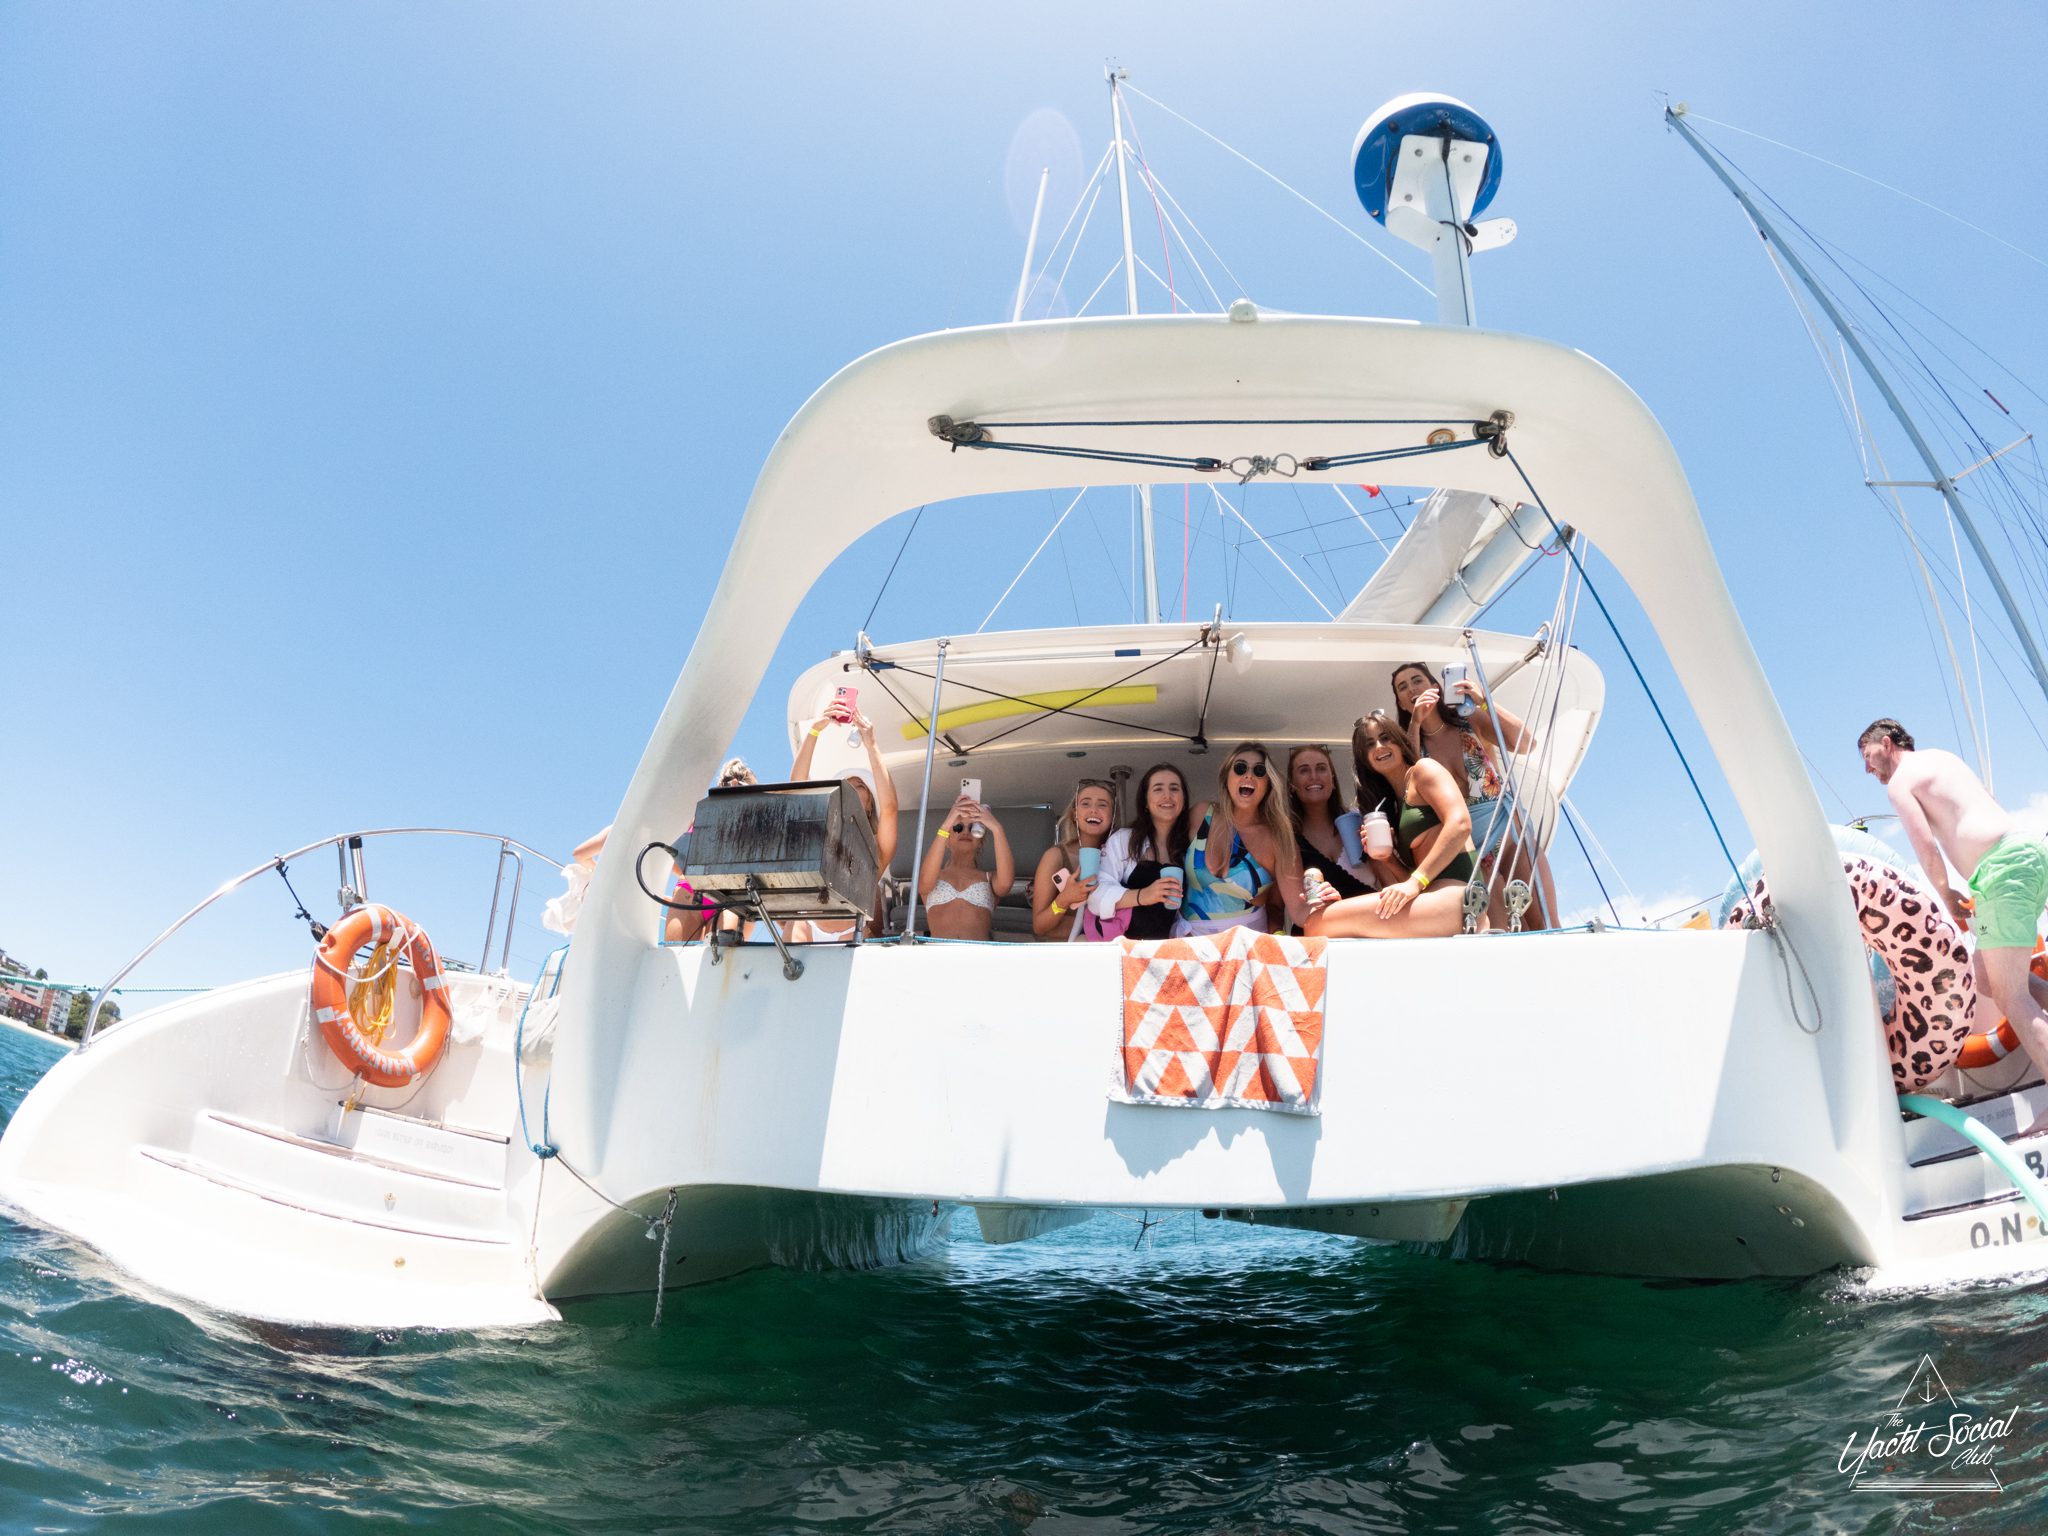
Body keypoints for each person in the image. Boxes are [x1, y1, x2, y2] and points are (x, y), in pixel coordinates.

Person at [1860, 718, 2048, 1108]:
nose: (1868, 768)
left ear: (1888, 742)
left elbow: (1926, 848)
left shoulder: (1901, 782)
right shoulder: (1941, 759)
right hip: (2025, 853)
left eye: (1868, 755)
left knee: (2011, 998)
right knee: (1985, 975)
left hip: (2000, 869)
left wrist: (1947, 897)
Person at [1391, 658, 1558, 929]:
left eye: (1417, 680)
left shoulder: (1469, 721)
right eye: (1403, 687)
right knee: (1498, 933)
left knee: (1546, 924)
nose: (1412, 688)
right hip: (1468, 851)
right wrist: (1415, 725)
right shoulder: (1410, 744)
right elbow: (1407, 789)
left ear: (1435, 685)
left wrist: (1483, 701)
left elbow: (1527, 743)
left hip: (1509, 836)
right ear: (1400, 703)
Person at [1304, 711, 1474, 939]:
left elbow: (1461, 824)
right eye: (1370, 744)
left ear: (1400, 741)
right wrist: (1389, 861)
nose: (1379, 747)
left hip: (1457, 898)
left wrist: (1415, 882)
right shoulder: (1393, 805)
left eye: (1385, 738)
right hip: (1430, 902)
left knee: (1318, 923)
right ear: (1364, 758)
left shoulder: (1424, 770)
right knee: (1321, 921)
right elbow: (1410, 884)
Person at [789, 702, 899, 940]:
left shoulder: (875, 851)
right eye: (846, 784)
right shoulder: (819, 835)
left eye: (860, 785)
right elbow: (795, 793)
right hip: (806, 924)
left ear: (870, 805)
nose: (851, 787)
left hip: (851, 931)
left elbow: (890, 808)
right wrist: (814, 731)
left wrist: (871, 744)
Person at [1179, 741, 1310, 935]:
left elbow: (1299, 912)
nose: (1248, 775)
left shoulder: (1279, 838)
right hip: (1189, 945)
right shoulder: (1200, 814)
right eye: (1240, 768)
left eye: (1259, 771)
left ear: (1268, 783)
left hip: (1246, 949)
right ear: (1226, 778)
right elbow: (1163, 853)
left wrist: (1326, 902)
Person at [1085, 763, 1195, 941]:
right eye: (1158, 789)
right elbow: (1096, 897)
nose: (1167, 795)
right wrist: (1144, 895)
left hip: (1165, 952)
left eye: (1174, 788)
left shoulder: (1191, 849)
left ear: (1183, 801)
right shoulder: (1124, 840)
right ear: (1145, 801)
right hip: (1122, 951)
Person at [1287, 743, 1377, 915]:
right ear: (1292, 784)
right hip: (1320, 935)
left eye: (1321, 768)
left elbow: (1388, 882)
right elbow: (1282, 905)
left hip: (1371, 931)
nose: (1314, 776)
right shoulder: (1287, 839)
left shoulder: (1360, 821)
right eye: (1304, 770)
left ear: (1333, 780)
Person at [916, 791, 1015, 942]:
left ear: (980, 841)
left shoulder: (989, 878)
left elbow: (1006, 883)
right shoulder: (934, 875)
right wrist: (948, 821)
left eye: (973, 828)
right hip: (939, 959)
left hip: (978, 959)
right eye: (958, 827)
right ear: (946, 840)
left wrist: (996, 828)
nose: (965, 832)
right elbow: (923, 882)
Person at [1032, 779, 1117, 940]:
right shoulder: (1055, 857)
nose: (1094, 810)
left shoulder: (1120, 858)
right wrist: (1064, 900)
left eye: (1102, 805)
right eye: (1085, 804)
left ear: (1112, 816)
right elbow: (1039, 926)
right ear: (1074, 814)